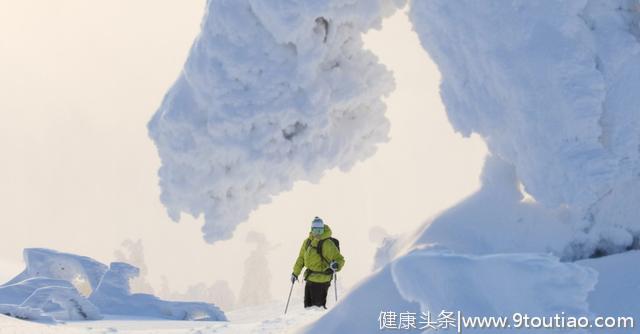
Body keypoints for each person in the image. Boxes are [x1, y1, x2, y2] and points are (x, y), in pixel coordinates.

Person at [291, 216, 345, 308]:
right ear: (311, 230)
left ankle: (325, 322)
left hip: (322, 281)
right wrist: (295, 273)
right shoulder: (307, 242)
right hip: (310, 279)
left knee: (317, 310)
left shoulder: (327, 243)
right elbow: (301, 258)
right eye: (315, 230)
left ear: (323, 230)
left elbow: (340, 259)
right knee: (308, 309)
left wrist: (336, 265)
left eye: (320, 230)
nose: (317, 234)